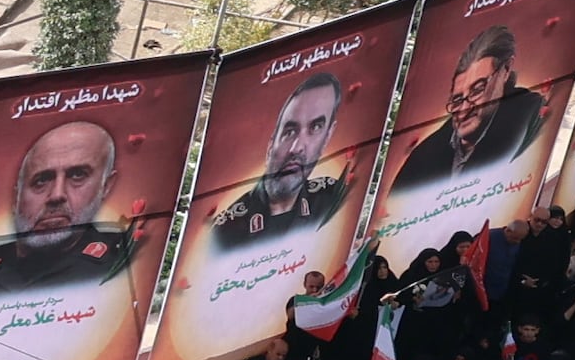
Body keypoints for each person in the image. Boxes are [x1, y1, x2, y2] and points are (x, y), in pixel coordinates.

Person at [0, 116, 140, 299]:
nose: (56, 195)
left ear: (105, 186)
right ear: (17, 196)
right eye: (41, 180)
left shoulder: (123, 261)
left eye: (77, 175)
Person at [204, 72, 355, 247]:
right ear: (270, 146)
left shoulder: (329, 199)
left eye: (315, 127)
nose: (296, 148)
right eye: (289, 132)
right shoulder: (226, 231)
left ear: (327, 137)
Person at [389, 21, 545, 190]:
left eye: (477, 90)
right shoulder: (423, 156)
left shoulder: (526, 111)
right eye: (457, 100)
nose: (464, 110)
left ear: (505, 71)